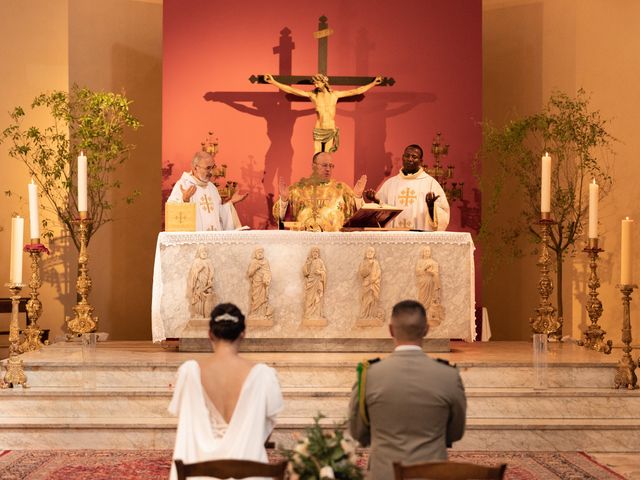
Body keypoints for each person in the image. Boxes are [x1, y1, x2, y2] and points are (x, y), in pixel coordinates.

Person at [348, 300, 466, 480]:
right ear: (426, 329)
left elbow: (358, 432)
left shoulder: (370, 375)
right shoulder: (448, 375)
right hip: (432, 474)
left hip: (385, 474)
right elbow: (456, 432)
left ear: (391, 330)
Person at [169, 303, 283, 480]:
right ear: (243, 333)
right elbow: (268, 426)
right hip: (248, 472)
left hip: (199, 474)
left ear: (210, 334)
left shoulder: (189, 372)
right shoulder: (263, 375)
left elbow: (184, 421)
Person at [264, 73, 382, 153]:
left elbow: (356, 91)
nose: (315, 85)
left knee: (326, 157)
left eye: (317, 82)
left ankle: (325, 185)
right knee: (316, 156)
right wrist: (274, 82)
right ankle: (315, 183)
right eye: (314, 83)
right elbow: (292, 90)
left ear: (324, 82)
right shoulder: (313, 95)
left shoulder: (335, 95)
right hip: (319, 128)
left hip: (330, 128)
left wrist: (373, 83)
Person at [272, 151, 366, 231]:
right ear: (314, 166)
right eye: (324, 165)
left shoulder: (342, 189)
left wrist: (357, 197)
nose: (328, 169)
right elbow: (278, 216)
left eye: (331, 166)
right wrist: (284, 200)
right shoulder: (298, 189)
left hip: (334, 242)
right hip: (304, 242)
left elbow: (360, 218)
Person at [366, 144, 450, 230]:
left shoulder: (431, 184)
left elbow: (442, 216)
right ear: (403, 157)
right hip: (394, 238)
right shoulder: (390, 184)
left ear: (421, 161)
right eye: (407, 156)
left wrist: (431, 207)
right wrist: (375, 200)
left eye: (414, 157)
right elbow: (380, 214)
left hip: (419, 239)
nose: (410, 159)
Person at [167, 151, 247, 231]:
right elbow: (172, 213)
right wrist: (184, 200)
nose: (212, 172)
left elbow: (218, 214)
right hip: (196, 241)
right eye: (208, 168)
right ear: (195, 168)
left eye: (213, 167)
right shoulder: (183, 185)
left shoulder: (212, 187)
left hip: (214, 240)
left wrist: (231, 203)